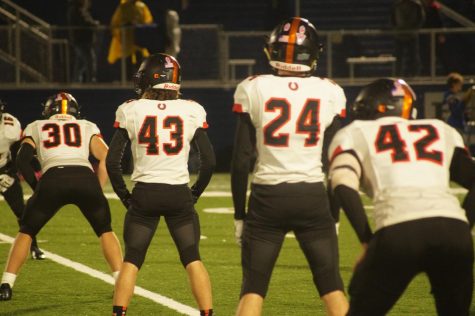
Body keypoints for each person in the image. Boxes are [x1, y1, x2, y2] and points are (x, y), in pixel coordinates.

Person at [231, 17, 349, 316]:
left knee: (253, 288)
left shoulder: (253, 87)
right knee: (332, 287)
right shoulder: (330, 91)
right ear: (314, 52)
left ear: (272, 50)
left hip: (267, 198)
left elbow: (242, 158)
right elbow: (334, 161)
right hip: (312, 196)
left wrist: (240, 215)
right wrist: (333, 215)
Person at [328, 78, 475, 315]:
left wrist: (367, 240)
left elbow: (342, 184)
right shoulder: (440, 129)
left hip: (399, 229)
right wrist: (463, 225)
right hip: (453, 232)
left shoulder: (355, 132)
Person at [106, 53, 215, 316]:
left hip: (145, 193)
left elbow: (112, 162)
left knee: (132, 259)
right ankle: (207, 313)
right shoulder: (191, 109)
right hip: (178, 193)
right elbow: (208, 161)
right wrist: (194, 194)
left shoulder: (131, 109)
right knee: (192, 257)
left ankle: (119, 313)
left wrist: (125, 197)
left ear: (150, 78)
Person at [0, 93, 123, 301]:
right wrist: (97, 188)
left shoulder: (36, 126)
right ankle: (122, 282)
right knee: (105, 230)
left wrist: (38, 187)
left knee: (26, 231)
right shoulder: (87, 125)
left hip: (53, 178)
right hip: (85, 178)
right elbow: (107, 158)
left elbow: (22, 161)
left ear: (48, 111)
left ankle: (6, 284)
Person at [0, 99, 44, 260]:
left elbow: (21, 151)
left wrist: (11, 171)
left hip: (4, 170)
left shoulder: (11, 125)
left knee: (22, 211)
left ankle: (34, 247)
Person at [107, 0, 154, 75]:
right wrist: (126, 24)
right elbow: (116, 22)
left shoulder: (142, 6)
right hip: (127, 38)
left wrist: (141, 26)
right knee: (127, 60)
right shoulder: (123, 7)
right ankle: (128, 79)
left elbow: (148, 20)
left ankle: (140, 78)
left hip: (139, 38)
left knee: (140, 59)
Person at [67, 0, 99, 82]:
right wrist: (94, 24)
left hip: (83, 41)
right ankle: (90, 81)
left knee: (80, 63)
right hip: (81, 41)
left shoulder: (80, 9)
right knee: (89, 60)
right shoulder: (77, 10)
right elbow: (84, 22)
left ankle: (76, 81)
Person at [391, 0, 425, 77]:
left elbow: (420, 18)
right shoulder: (397, 4)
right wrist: (396, 29)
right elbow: (392, 18)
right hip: (400, 34)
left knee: (413, 55)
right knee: (399, 56)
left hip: (411, 34)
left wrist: (415, 29)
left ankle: (413, 73)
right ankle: (398, 74)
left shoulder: (416, 5)